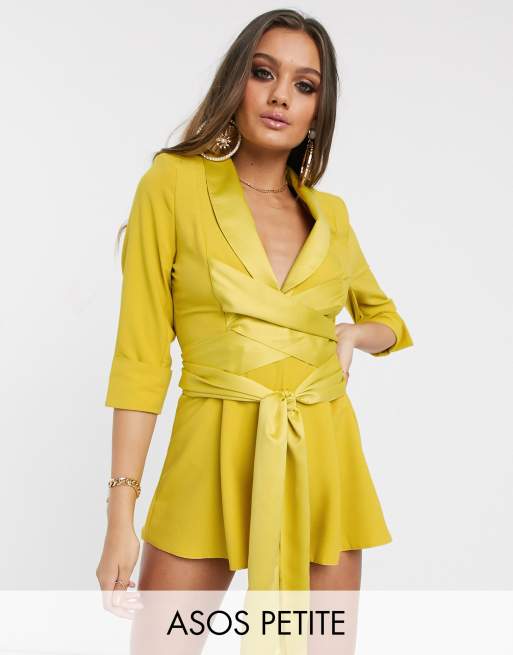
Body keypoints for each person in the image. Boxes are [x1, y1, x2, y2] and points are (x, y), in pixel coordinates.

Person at [96, 8, 413, 606]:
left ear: (319, 110)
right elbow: (140, 359)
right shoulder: (172, 184)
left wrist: (350, 336)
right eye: (264, 72)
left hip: (323, 457)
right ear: (235, 82)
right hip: (208, 456)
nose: (280, 96)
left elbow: (390, 323)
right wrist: (120, 516)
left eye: (304, 85)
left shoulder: (331, 216)